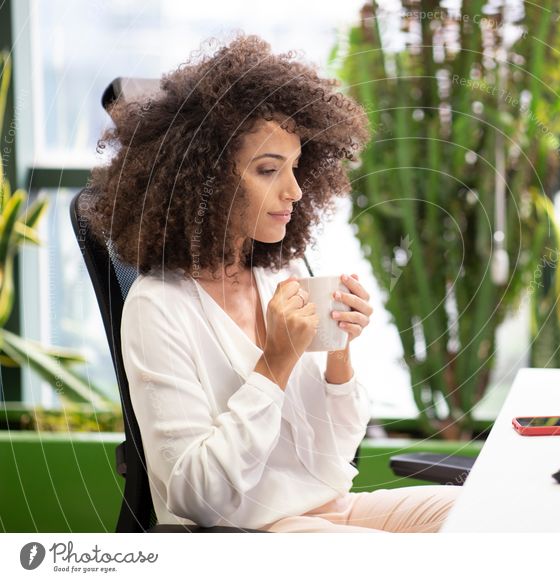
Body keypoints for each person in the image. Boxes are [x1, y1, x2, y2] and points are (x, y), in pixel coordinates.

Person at [84, 34, 459, 533]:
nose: (295, 190)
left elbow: (335, 458)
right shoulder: (158, 308)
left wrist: (338, 357)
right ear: (208, 180)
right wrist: (275, 365)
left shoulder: (279, 275)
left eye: (297, 167)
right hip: (250, 532)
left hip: (328, 510)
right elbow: (195, 496)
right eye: (268, 170)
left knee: (484, 515)